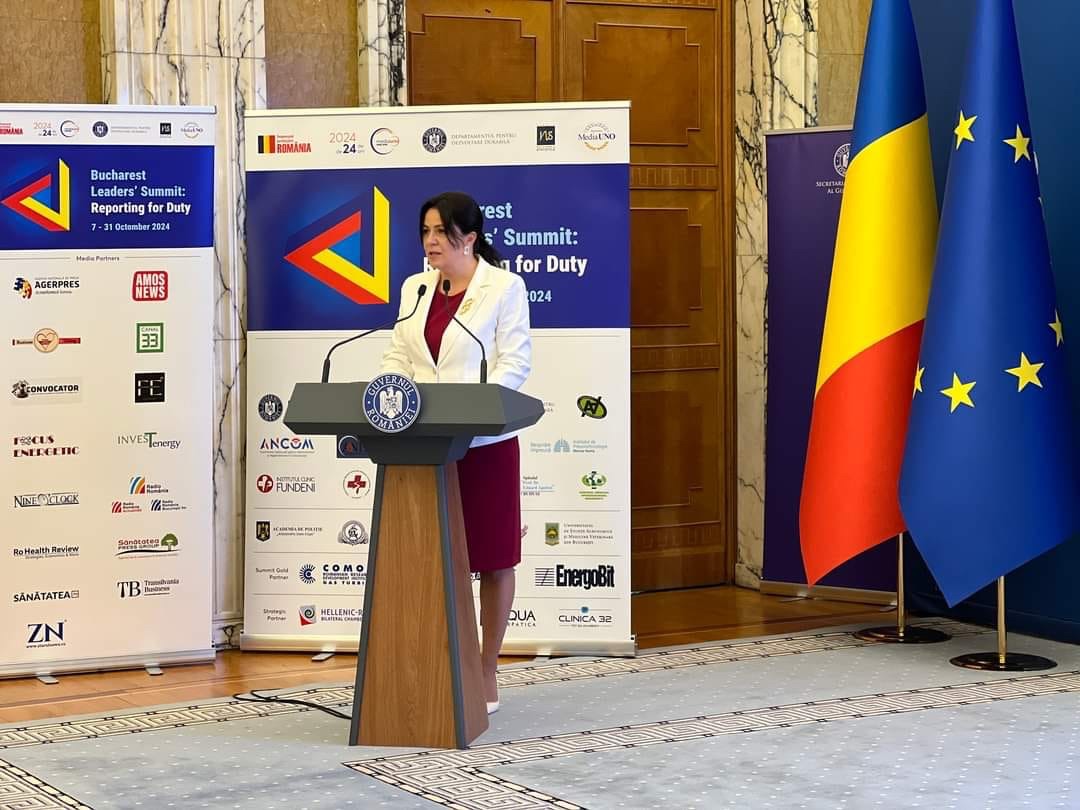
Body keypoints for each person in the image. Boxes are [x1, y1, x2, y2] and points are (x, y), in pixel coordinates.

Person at [379, 191, 532, 715]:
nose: (430, 242)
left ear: (469, 237)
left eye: (441, 232)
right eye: (425, 232)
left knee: (492, 557)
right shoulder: (416, 288)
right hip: (424, 444)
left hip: (484, 444)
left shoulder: (504, 288)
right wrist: (389, 392)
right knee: (431, 558)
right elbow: (399, 354)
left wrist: (479, 408)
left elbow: (515, 361)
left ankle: (485, 669)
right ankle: (436, 664)